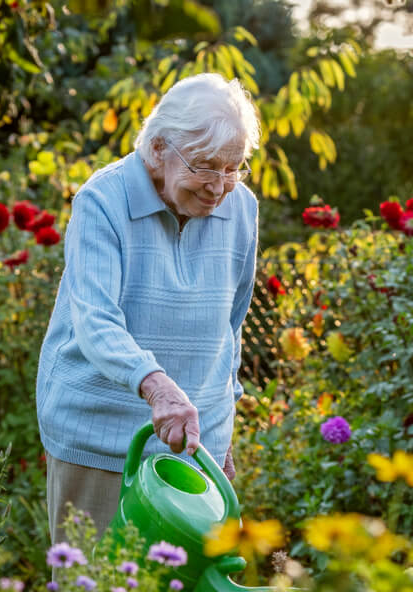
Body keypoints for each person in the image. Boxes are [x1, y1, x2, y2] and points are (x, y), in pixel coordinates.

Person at [36, 73, 261, 544]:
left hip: (195, 444)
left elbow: (230, 328)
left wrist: (223, 431)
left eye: (233, 167)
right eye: (205, 166)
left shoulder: (241, 207)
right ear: (158, 148)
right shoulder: (103, 200)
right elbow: (95, 320)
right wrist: (157, 387)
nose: (220, 186)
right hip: (101, 441)